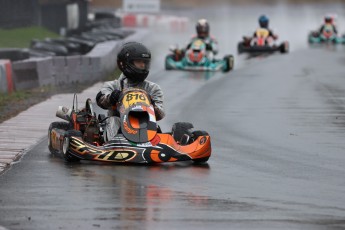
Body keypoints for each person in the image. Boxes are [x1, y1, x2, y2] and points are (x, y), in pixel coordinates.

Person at [96, 42, 165, 142]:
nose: (142, 65)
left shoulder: (153, 88)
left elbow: (160, 115)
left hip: (145, 126)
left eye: (144, 62)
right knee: (114, 120)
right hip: (118, 127)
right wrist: (112, 98)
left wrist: (152, 105)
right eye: (138, 62)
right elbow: (101, 100)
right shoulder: (113, 85)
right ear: (126, 63)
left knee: (155, 125)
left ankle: (150, 144)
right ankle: (115, 144)